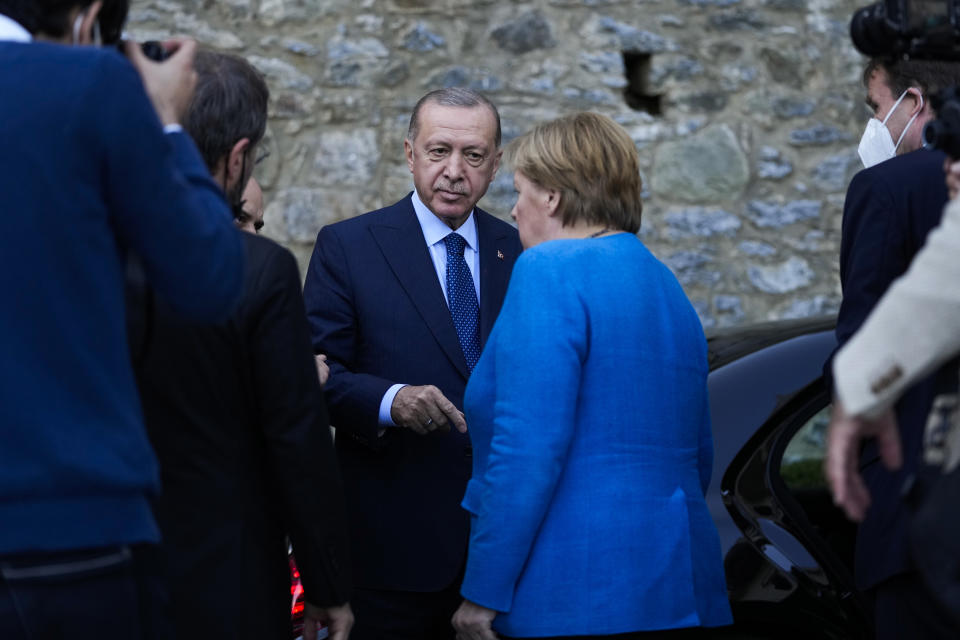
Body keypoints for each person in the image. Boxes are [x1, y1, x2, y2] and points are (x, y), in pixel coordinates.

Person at [0, 2, 243, 639]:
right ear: (89, 18)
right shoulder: (89, 84)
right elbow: (210, 278)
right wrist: (163, 119)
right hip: (62, 522)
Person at [451, 112, 733, 640]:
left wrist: (483, 590)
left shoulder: (547, 270)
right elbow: (698, 457)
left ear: (553, 196)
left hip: (572, 587)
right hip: (677, 584)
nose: (513, 210)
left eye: (521, 191)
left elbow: (525, 449)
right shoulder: (667, 285)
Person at [129, 50, 353, 640]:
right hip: (225, 578)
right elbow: (297, 446)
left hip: (104, 565)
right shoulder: (260, 269)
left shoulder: (90, 246)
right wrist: (327, 588)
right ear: (236, 159)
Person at [303, 87, 522, 639]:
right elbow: (313, 375)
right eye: (438, 150)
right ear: (409, 153)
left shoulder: (521, 252)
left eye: (473, 156)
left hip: (503, 553)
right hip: (392, 557)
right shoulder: (348, 246)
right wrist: (388, 401)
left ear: (496, 164)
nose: (454, 170)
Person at [836, 56, 960, 638]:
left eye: (877, 108)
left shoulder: (886, 189)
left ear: (914, 103)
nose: (875, 127)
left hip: (920, 515)